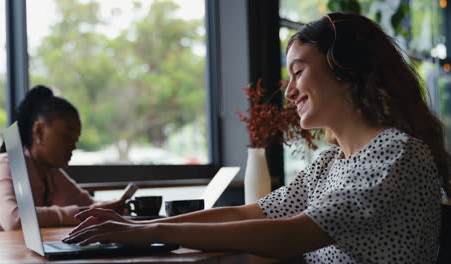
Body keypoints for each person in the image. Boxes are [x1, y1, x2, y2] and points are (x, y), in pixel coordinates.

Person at [63, 12, 450, 263]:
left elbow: (294, 234)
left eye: (298, 72)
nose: (289, 91)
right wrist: (136, 230)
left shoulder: (395, 155)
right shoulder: (331, 164)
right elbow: (254, 212)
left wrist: (148, 232)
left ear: (344, 69)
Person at [0, 85, 127, 233]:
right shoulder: (5, 165)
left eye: (76, 140)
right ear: (39, 132)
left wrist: (110, 207)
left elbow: (87, 204)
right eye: (66, 137)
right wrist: (82, 212)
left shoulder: (51, 173)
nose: (73, 147)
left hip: (23, 255)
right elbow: (15, 219)